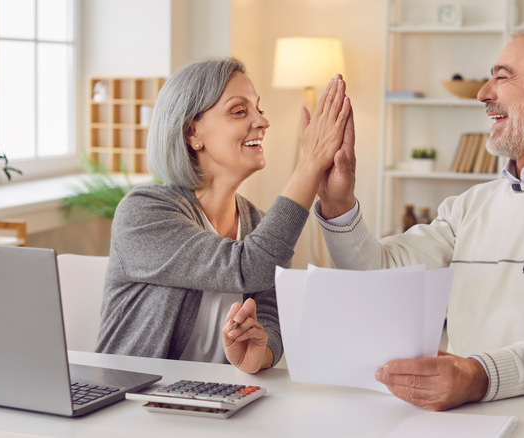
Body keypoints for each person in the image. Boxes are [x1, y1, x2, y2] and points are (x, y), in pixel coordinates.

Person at [316, 26, 524, 437]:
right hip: (461, 424)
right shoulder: (469, 205)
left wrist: (477, 376)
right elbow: (381, 273)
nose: (483, 93)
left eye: (502, 76)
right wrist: (337, 204)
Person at [97, 57, 352, 373]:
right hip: (131, 404)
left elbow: (270, 315)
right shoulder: (143, 212)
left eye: (260, 109)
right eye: (240, 111)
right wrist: (309, 165)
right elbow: (248, 266)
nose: (262, 121)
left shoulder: (258, 224)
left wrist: (261, 350)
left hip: (215, 402)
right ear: (193, 133)